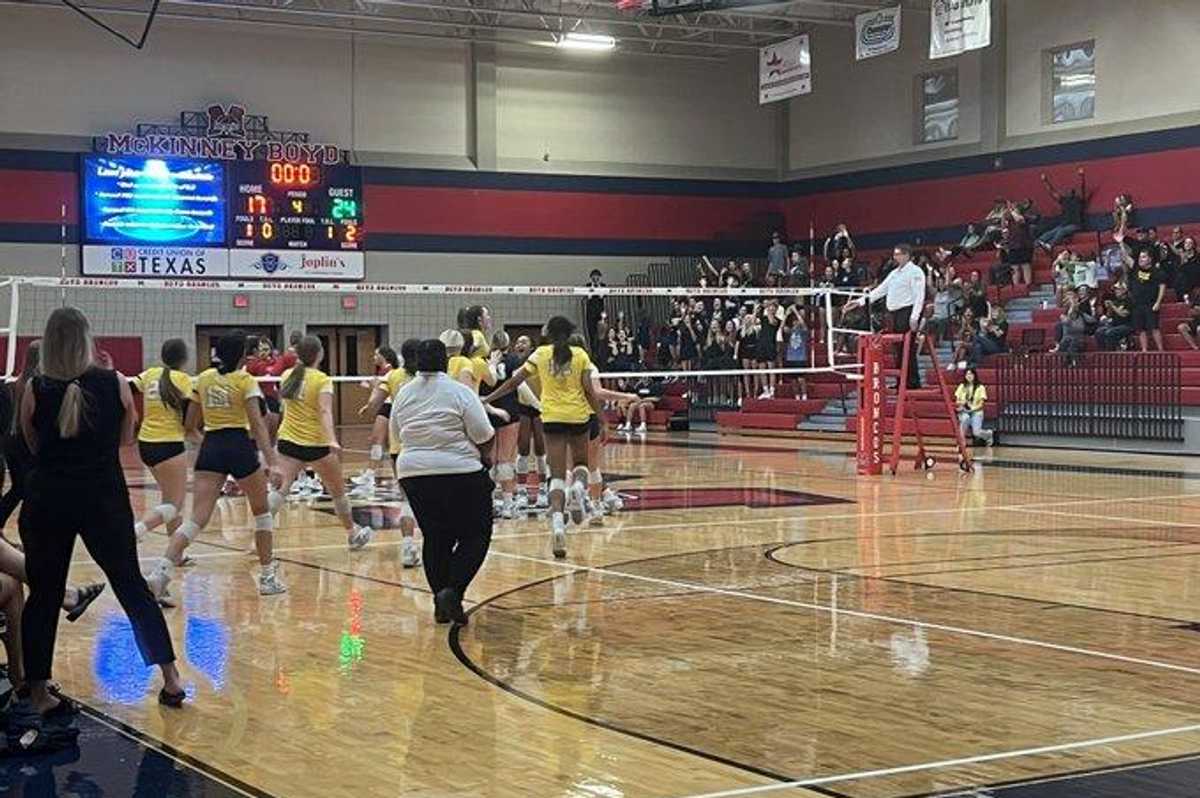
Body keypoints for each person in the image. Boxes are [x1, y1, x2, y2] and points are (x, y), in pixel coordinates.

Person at [18, 307, 184, 712]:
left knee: (43, 594)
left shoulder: (35, 387)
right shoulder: (117, 383)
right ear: (88, 339)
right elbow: (127, 439)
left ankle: (38, 692)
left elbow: (32, 443)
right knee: (131, 586)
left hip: (48, 500)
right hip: (103, 499)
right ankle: (172, 680)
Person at [148, 332, 284, 597]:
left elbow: (189, 427)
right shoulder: (245, 381)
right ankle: (267, 578)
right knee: (262, 513)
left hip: (211, 446)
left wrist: (210, 445)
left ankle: (160, 573)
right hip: (239, 446)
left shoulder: (203, 380)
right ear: (243, 356)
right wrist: (273, 462)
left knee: (196, 519)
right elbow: (257, 425)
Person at [392, 339, 495, 627]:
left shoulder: (403, 394)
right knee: (476, 534)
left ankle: (441, 602)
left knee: (436, 537)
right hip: (460, 471)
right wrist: (486, 460)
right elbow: (484, 434)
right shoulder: (459, 392)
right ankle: (453, 591)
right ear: (446, 363)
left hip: (413, 474)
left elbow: (397, 434)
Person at [486, 316, 603, 559]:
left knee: (557, 475)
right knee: (581, 465)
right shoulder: (580, 355)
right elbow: (589, 391)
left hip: (551, 418)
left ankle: (558, 525)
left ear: (549, 334)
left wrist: (489, 398)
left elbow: (514, 381)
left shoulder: (539, 354)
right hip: (578, 416)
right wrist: (601, 417)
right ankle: (579, 489)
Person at [271, 335, 374, 550]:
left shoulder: (287, 375)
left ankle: (260, 532)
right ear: (320, 354)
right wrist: (332, 440)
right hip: (316, 445)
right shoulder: (322, 380)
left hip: (288, 441)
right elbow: (325, 411)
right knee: (338, 493)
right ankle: (352, 533)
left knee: (280, 491)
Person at [357, 340, 422, 566]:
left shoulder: (392, 377)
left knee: (407, 499)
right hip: (426, 446)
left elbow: (374, 405)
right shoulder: (429, 378)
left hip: (400, 448)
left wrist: (372, 399)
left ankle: (408, 548)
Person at [129, 339, 193, 543]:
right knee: (174, 504)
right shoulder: (183, 380)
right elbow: (190, 414)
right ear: (184, 358)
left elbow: (127, 388)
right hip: (169, 445)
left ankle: (176, 554)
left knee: (170, 500)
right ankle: (135, 531)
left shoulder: (150, 374)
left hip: (146, 444)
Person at [848, 243, 925, 389]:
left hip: (907, 312)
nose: (895, 257)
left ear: (906, 255)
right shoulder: (894, 273)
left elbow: (919, 295)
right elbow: (880, 291)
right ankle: (901, 382)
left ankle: (912, 382)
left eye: (897, 254)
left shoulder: (915, 272)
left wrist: (915, 316)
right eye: (894, 254)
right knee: (897, 349)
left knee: (906, 348)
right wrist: (859, 302)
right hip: (894, 313)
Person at [483, 331, 523, 519]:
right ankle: (507, 505)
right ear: (508, 343)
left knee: (490, 461)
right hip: (509, 411)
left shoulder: (484, 360)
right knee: (505, 460)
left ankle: (488, 503)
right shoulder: (514, 360)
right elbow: (520, 385)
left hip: (488, 410)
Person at [354, 345, 400, 493]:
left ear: (384, 356)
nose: (374, 357)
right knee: (379, 441)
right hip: (386, 406)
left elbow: (381, 392)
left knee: (378, 440)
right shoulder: (384, 371)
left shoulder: (389, 370)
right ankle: (371, 474)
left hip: (388, 406)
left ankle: (370, 475)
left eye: (376, 355)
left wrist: (372, 389)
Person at [1118, 231, 1166, 352]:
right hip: (1137, 304)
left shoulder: (1156, 272)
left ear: (1150, 259)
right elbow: (1125, 257)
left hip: (1150, 304)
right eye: (1140, 257)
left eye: (1143, 257)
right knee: (1141, 329)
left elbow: (1162, 287)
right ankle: (1144, 350)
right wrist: (1120, 243)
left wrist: (1158, 303)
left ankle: (1161, 350)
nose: (1140, 259)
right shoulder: (1135, 268)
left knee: (1154, 328)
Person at [1036, 168, 1089, 252]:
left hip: (1076, 225)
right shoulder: (1064, 200)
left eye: (1072, 191)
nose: (1071, 191)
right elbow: (1052, 192)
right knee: (1050, 232)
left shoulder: (1079, 200)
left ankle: (1050, 245)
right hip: (1064, 224)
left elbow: (1082, 188)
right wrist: (1045, 181)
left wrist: (1082, 177)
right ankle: (1037, 243)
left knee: (1061, 231)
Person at [954, 368, 993, 446]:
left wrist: (972, 409)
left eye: (971, 374)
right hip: (964, 411)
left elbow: (981, 404)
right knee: (965, 418)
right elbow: (957, 401)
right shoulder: (962, 386)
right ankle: (961, 442)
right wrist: (963, 403)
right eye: (967, 374)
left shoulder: (980, 387)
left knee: (976, 433)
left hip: (976, 411)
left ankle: (989, 434)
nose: (969, 376)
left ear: (974, 375)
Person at [1095, 282, 1134, 351]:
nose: (1116, 291)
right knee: (1099, 332)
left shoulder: (1129, 301)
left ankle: (1111, 353)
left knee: (1110, 332)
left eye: (1118, 289)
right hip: (1115, 324)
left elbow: (1124, 314)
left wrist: (1112, 306)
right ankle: (1103, 353)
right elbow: (1109, 316)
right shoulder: (1116, 301)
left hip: (1127, 325)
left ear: (1124, 290)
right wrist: (1109, 308)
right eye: (1115, 290)